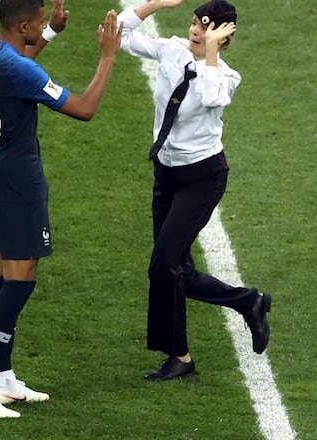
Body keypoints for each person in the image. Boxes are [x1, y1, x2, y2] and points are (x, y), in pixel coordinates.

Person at [0, 0, 123, 418]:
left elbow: (18, 68)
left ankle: (3, 378)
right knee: (21, 280)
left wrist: (51, 35)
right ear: (23, 24)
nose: (47, 23)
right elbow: (84, 109)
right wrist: (108, 56)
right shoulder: (20, 69)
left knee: (2, 272)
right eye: (43, 21)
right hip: (18, 184)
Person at [117, 0, 272, 381]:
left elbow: (210, 96)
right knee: (177, 270)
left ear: (222, 35)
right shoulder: (171, 50)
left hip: (202, 178)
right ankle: (248, 301)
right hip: (166, 173)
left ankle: (180, 358)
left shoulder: (226, 76)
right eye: (194, 23)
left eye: (205, 27)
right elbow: (119, 35)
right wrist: (152, 5)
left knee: (163, 266)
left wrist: (212, 54)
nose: (194, 31)